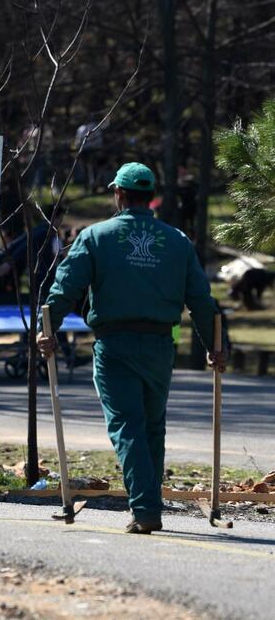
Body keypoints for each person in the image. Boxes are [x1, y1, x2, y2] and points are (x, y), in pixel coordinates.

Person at [36, 163, 225, 535]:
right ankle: (149, 503)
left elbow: (65, 288)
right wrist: (215, 346)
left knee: (127, 426)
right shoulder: (176, 240)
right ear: (150, 197)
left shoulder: (95, 237)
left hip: (115, 344)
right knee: (152, 428)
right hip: (159, 346)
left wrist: (48, 329)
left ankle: (145, 509)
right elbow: (202, 301)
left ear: (118, 195)